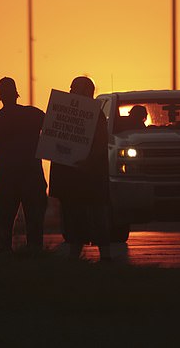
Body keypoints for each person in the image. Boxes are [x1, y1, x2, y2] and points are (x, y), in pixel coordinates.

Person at [0, 77, 47, 253]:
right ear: (16, 94)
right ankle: (35, 254)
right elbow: (56, 129)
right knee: (35, 219)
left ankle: (5, 256)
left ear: (0, 97)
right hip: (31, 176)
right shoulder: (34, 114)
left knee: (5, 221)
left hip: (6, 178)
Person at [49, 76, 111, 261]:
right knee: (74, 219)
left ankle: (105, 257)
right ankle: (75, 257)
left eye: (73, 89)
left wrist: (88, 162)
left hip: (91, 178)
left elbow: (100, 144)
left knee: (97, 217)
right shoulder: (64, 112)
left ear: (85, 92)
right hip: (72, 179)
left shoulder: (96, 115)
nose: (70, 92)